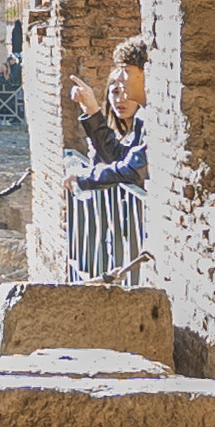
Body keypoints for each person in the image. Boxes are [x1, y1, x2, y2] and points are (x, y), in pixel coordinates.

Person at [64, 36, 151, 280]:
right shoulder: (145, 116)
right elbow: (119, 157)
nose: (120, 79)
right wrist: (92, 110)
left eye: (125, 71)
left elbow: (131, 170)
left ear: (145, 73)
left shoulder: (154, 115)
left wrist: (84, 179)